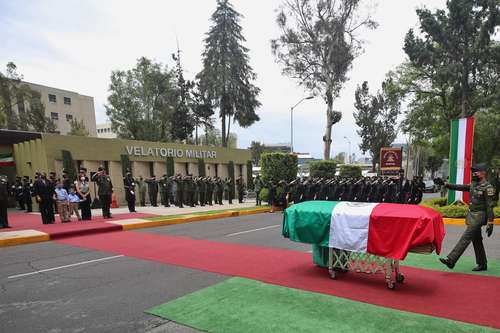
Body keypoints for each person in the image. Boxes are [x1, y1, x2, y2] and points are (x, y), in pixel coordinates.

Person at [440, 164, 497, 271]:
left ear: (483, 173)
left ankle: (451, 260)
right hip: (472, 216)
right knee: (477, 240)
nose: (474, 174)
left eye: (476, 172)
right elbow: (460, 187)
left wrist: (490, 222)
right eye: (473, 172)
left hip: (480, 216)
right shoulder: (474, 184)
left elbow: (490, 206)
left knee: (465, 237)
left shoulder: (488, 187)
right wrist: (446, 184)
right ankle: (482, 263)